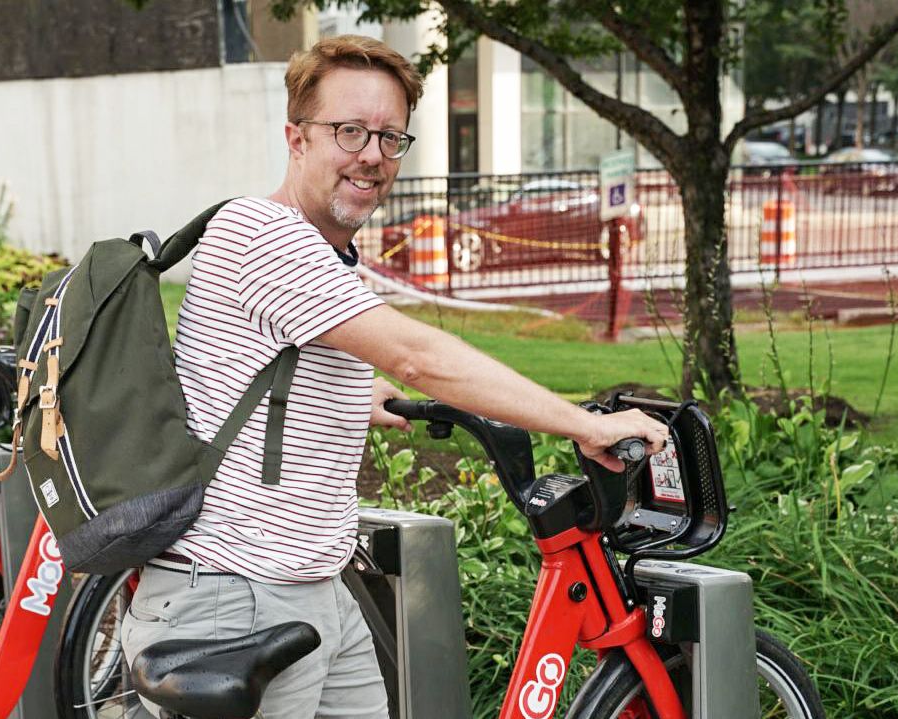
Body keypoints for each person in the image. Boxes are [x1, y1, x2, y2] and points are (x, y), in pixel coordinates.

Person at [120, 35, 669, 719]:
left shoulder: (327, 252)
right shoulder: (260, 232)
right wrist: (585, 425)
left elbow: (270, 366)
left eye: (389, 137)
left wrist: (356, 393)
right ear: (296, 137)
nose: (372, 155)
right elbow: (418, 355)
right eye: (349, 130)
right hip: (237, 596)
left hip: (316, 587)